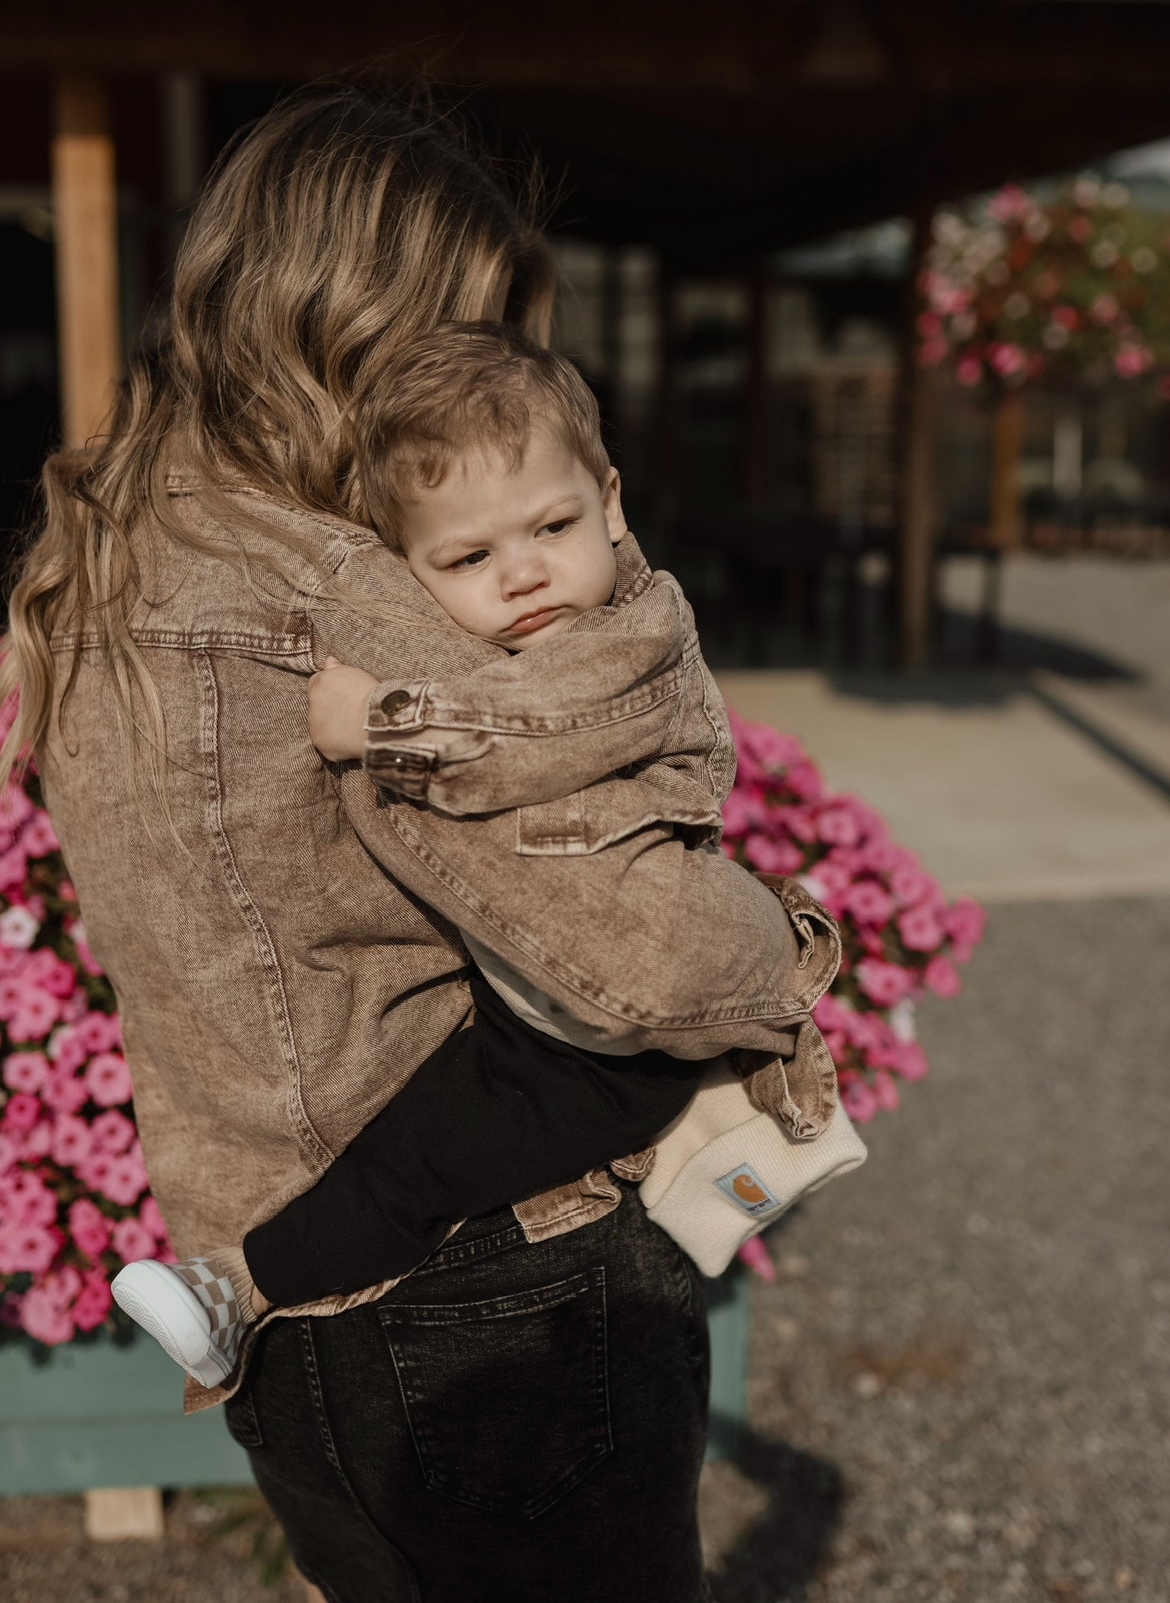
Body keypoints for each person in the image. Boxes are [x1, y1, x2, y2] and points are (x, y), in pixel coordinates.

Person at [1, 81, 837, 1603]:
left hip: (284, 1290)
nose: (490, 393)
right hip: (496, 1280)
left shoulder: (97, 554)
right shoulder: (356, 593)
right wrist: (781, 945)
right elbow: (647, 952)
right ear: (355, 322)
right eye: (470, 339)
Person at [108, 320, 850, 1392]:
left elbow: (537, 734)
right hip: (532, 1012)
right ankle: (232, 1290)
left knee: (416, 1169)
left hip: (610, 1046)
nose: (526, 575)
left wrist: (383, 724)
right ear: (410, 574)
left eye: (554, 524)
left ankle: (240, 1287)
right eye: (469, 557)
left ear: (614, 503)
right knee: (412, 1151)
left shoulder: (636, 638)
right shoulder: (492, 635)